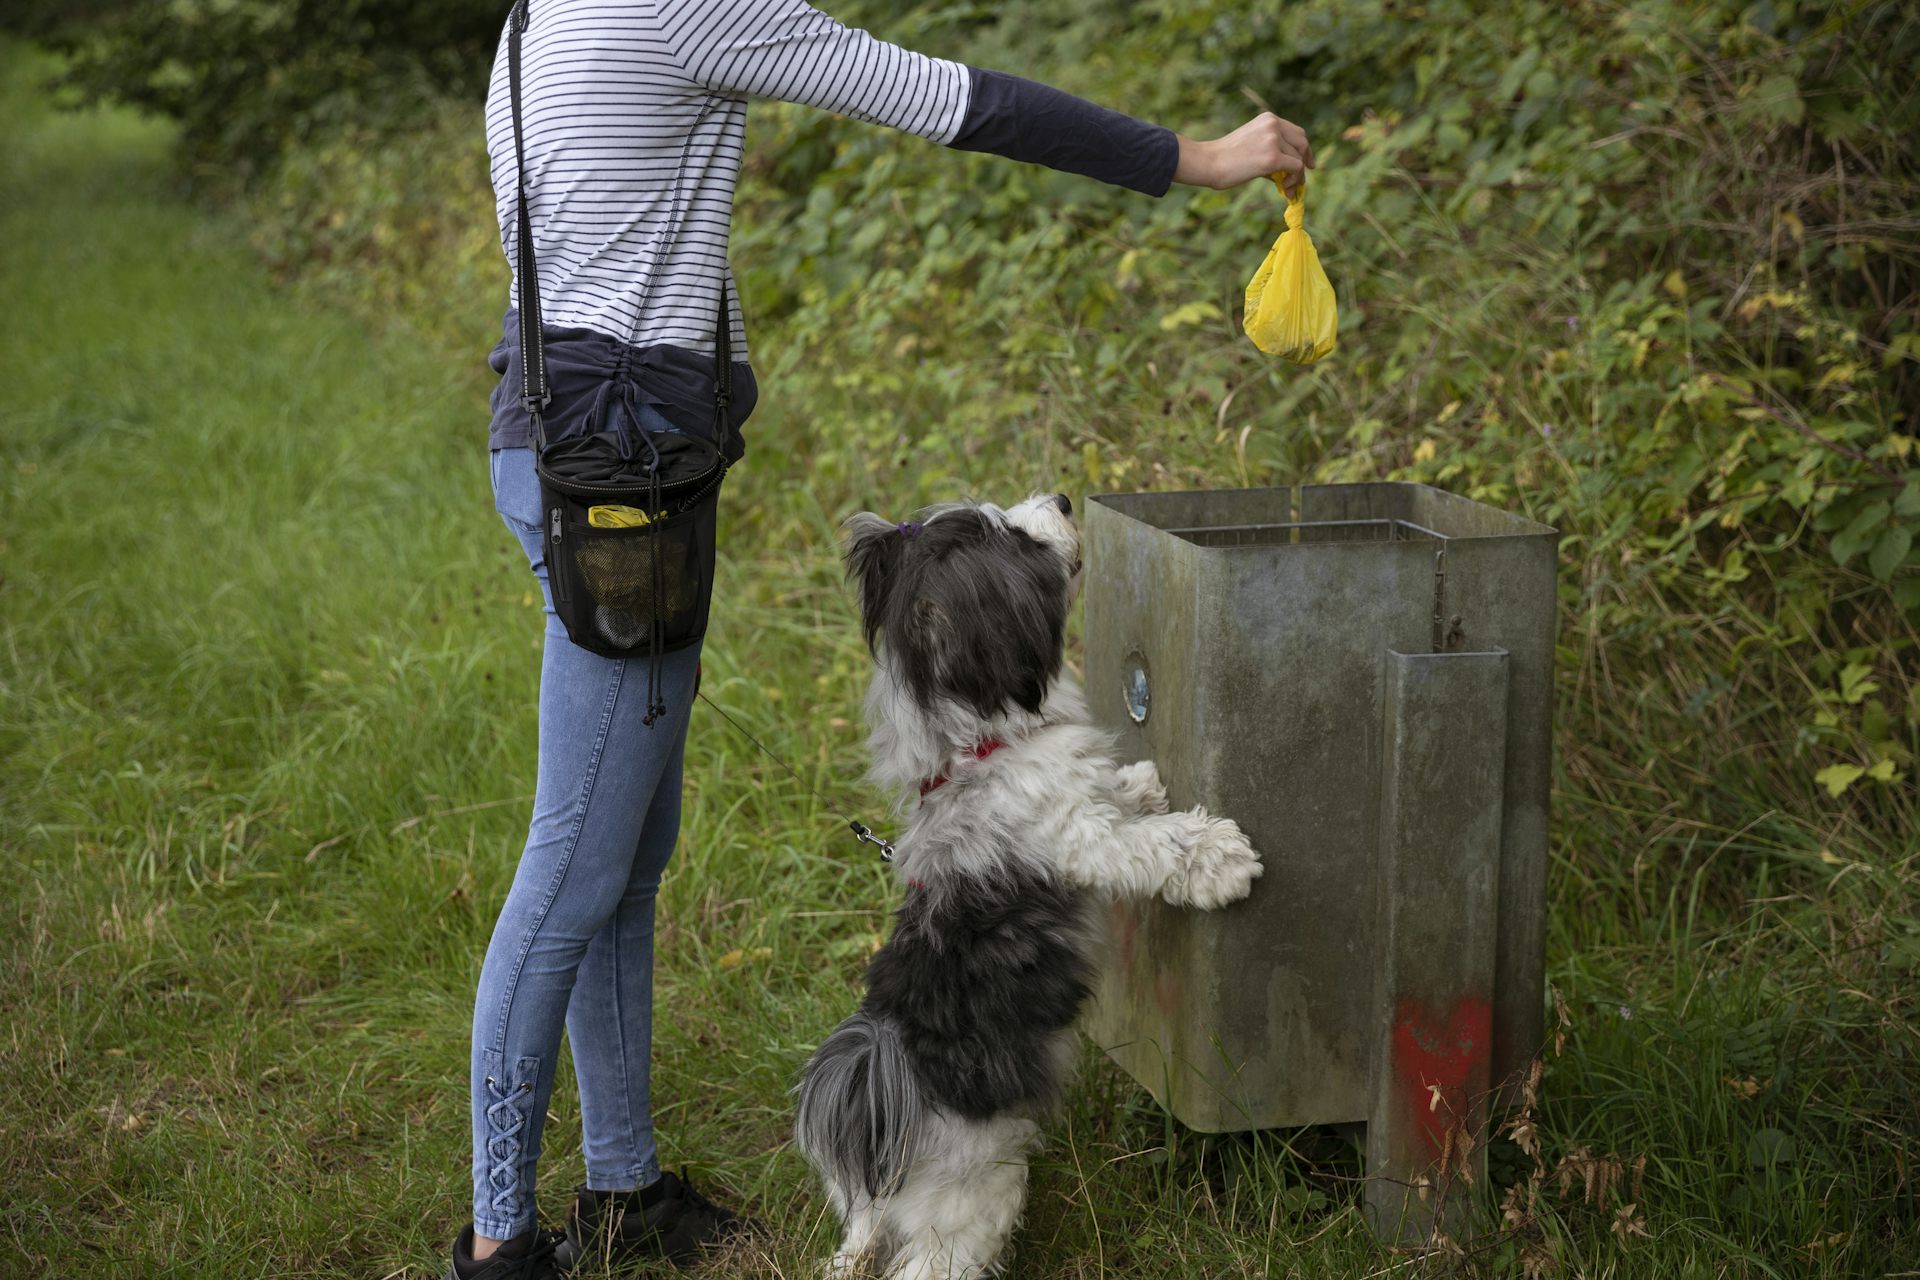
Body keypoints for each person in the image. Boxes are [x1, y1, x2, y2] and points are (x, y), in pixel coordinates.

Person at [456, 1, 1312, 1276]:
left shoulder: (542, 16)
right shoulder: (685, 9)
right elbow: (950, 98)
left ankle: (623, 1186)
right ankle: (498, 1238)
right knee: (570, 870)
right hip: (620, 488)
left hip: (561, 444)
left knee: (623, 857)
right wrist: (1194, 156)